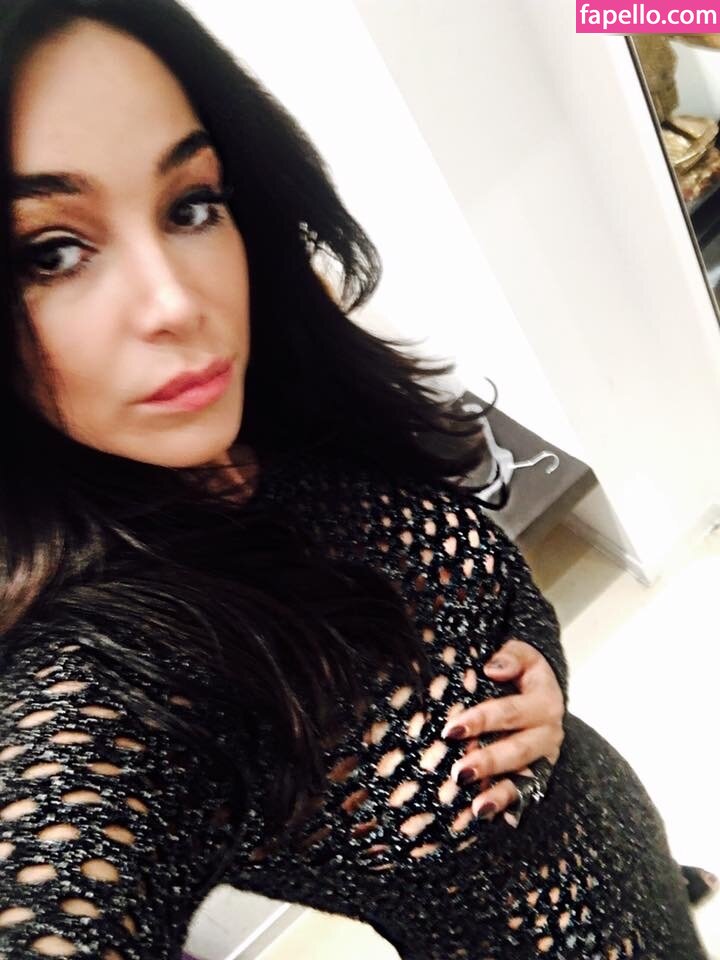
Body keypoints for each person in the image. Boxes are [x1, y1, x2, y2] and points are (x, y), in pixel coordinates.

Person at [0, 2, 712, 958]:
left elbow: (489, 597)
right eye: (51, 252)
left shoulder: (290, 420)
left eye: (191, 205)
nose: (174, 300)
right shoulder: (103, 674)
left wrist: (541, 675)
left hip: (629, 843)